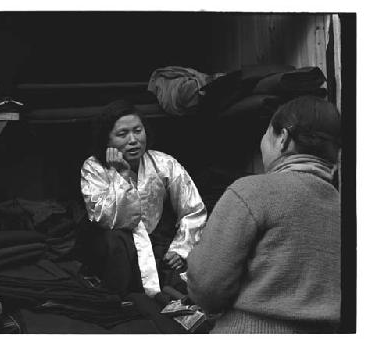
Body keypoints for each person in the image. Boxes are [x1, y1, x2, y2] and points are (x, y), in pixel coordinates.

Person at [186, 95, 341, 333]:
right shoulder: (346, 207)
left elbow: (207, 288)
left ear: (283, 138)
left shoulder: (250, 192)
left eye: (266, 134)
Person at [78, 99, 207, 297]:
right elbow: (110, 219)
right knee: (116, 246)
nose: (133, 140)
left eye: (138, 131)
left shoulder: (163, 163)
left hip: (154, 238)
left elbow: (193, 209)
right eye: (122, 134)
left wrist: (180, 249)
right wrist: (122, 176)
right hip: (113, 242)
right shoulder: (94, 167)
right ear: (107, 140)